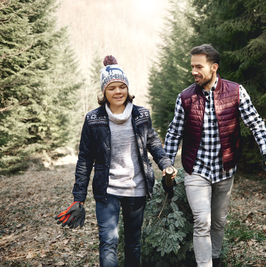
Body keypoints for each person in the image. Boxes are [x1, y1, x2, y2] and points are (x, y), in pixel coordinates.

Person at [55, 55, 176, 267]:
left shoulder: (141, 115)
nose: (118, 92)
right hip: (107, 190)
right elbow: (85, 159)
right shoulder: (93, 119)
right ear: (104, 92)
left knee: (133, 243)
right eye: (112, 88)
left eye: (122, 86)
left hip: (136, 189)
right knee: (108, 241)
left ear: (128, 89)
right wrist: (78, 197)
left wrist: (165, 164)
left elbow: (154, 144)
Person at [164, 44, 266, 267]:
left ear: (213, 67)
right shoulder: (185, 98)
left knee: (219, 221)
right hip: (196, 169)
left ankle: (215, 257)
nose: (193, 71)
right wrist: (167, 164)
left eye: (198, 66)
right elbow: (174, 132)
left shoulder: (235, 92)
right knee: (202, 221)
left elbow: (255, 124)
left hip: (225, 169)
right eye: (192, 66)